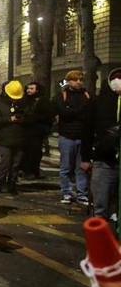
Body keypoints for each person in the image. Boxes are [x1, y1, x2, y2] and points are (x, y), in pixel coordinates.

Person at [81, 68, 121, 228]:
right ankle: (100, 245)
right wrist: (85, 158)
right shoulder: (97, 103)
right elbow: (87, 131)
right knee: (101, 205)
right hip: (104, 161)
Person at [52, 70, 92, 205]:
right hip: (67, 136)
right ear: (68, 81)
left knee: (81, 167)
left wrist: (73, 111)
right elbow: (63, 112)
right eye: (75, 80)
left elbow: (90, 113)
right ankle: (66, 192)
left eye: (80, 80)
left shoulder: (87, 95)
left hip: (83, 136)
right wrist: (80, 110)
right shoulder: (62, 95)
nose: (79, 82)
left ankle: (82, 193)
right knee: (66, 167)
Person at [0, 80, 29, 195]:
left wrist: (22, 118)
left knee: (16, 163)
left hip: (20, 138)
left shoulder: (23, 104)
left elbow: (29, 117)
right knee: (5, 162)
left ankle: (12, 183)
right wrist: (9, 119)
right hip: (5, 138)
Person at [18, 81, 55, 179]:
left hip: (37, 131)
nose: (28, 90)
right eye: (28, 88)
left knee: (34, 152)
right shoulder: (24, 100)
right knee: (25, 151)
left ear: (37, 90)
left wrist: (32, 119)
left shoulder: (42, 101)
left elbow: (47, 115)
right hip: (25, 131)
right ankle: (24, 170)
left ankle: (33, 171)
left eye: (31, 89)